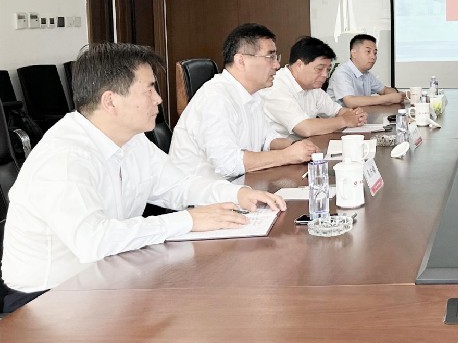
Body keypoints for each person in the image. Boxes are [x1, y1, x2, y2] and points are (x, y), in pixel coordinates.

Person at [1, 43, 285, 313]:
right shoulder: (65, 157)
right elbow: (94, 241)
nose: (158, 99)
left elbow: (180, 185)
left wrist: (237, 194)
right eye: (149, 89)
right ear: (111, 101)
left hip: (105, 277)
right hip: (46, 300)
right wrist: (188, 220)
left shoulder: (131, 139)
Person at [170, 23, 318, 179]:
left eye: (276, 57)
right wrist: (287, 155)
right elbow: (227, 164)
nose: (277, 65)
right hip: (202, 191)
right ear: (241, 61)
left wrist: (296, 146)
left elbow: (267, 139)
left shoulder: (253, 94)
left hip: (238, 184)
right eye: (270, 57)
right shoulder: (215, 98)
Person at [261, 36, 368, 138]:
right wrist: (345, 120)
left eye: (328, 70)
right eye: (319, 69)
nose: (325, 75)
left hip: (305, 145)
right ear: (299, 65)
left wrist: (355, 115)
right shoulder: (276, 86)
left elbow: (336, 111)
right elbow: (305, 128)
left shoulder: (312, 86)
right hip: (282, 148)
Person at [329, 33, 404, 108]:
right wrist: (388, 98)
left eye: (375, 53)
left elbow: (384, 90)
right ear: (354, 53)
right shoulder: (342, 73)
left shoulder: (366, 74)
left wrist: (402, 95)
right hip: (337, 115)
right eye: (368, 51)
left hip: (360, 114)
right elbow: (350, 102)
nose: (373, 57)